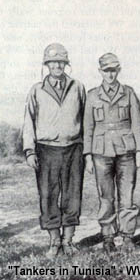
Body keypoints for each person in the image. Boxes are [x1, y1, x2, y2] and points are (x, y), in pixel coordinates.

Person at [23, 43, 86, 258]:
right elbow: (28, 122)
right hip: (46, 150)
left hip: (73, 149)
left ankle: (68, 241)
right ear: (47, 65)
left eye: (61, 62)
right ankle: (54, 242)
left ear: (66, 64)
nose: (57, 66)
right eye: (53, 62)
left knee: (72, 196)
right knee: (48, 196)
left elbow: (86, 120)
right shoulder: (36, 90)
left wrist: (86, 150)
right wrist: (30, 151)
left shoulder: (77, 86)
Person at [83, 53, 140, 253]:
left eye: (113, 70)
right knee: (106, 196)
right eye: (106, 70)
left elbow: (137, 123)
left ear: (118, 70)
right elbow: (88, 127)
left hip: (126, 151)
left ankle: (127, 237)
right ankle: (108, 235)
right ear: (100, 71)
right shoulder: (92, 96)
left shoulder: (128, 93)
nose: (110, 74)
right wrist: (88, 156)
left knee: (127, 196)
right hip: (101, 153)